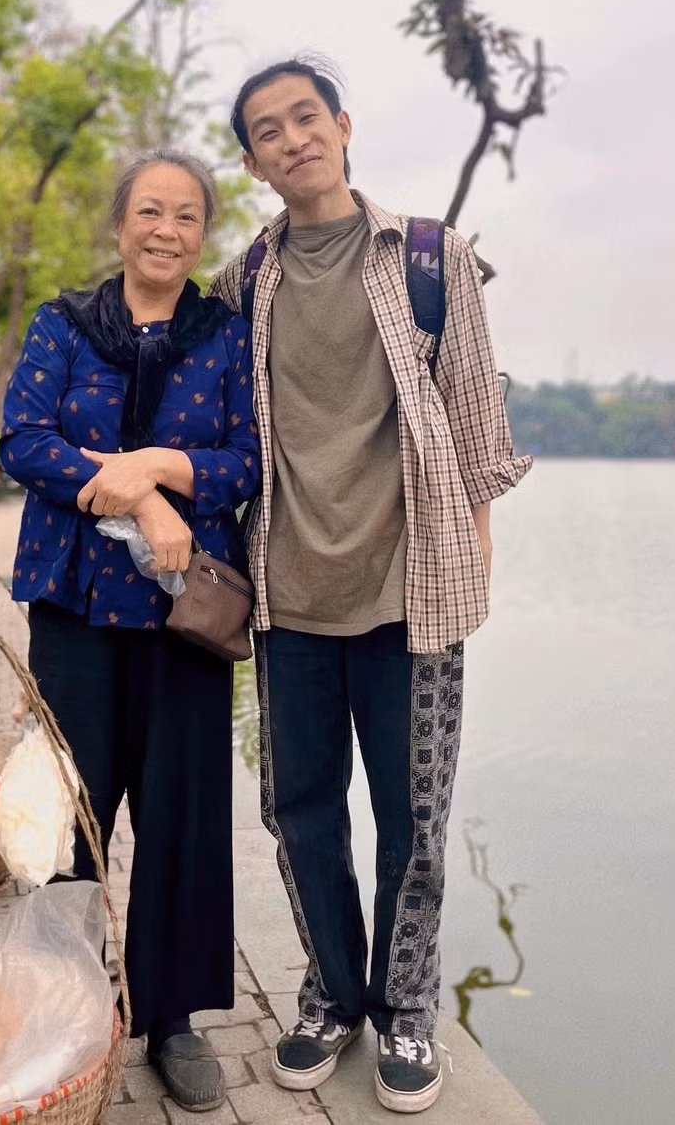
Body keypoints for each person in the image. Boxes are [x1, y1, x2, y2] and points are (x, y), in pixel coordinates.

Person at [209, 59, 532, 1113]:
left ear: (342, 126)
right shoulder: (245, 281)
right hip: (288, 590)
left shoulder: (429, 257)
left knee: (413, 820)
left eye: (307, 115)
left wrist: (471, 555)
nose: (293, 137)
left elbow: (480, 419)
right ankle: (331, 994)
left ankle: (405, 1008)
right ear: (253, 161)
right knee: (297, 811)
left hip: (411, 591)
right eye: (269, 129)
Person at [0, 149, 260, 1113]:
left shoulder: (224, 335)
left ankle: (172, 1019)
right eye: (149, 211)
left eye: (186, 217)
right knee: (71, 809)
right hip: (74, 606)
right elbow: (22, 441)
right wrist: (138, 501)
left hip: (183, 614)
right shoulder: (64, 325)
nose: (166, 230)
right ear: (120, 225)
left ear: (202, 236)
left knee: (183, 812)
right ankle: (65, 998)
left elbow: (245, 460)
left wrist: (152, 471)